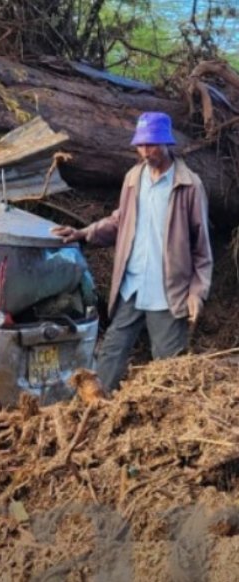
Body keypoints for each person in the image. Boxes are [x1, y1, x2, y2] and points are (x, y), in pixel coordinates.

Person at [51, 111, 212, 392]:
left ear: (167, 144)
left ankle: (168, 428)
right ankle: (94, 414)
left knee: (169, 370)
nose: (145, 152)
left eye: (152, 145)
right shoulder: (133, 178)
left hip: (168, 293)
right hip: (132, 286)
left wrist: (197, 293)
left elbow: (201, 249)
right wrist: (83, 233)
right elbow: (119, 220)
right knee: (110, 355)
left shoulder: (189, 186)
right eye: (140, 145)